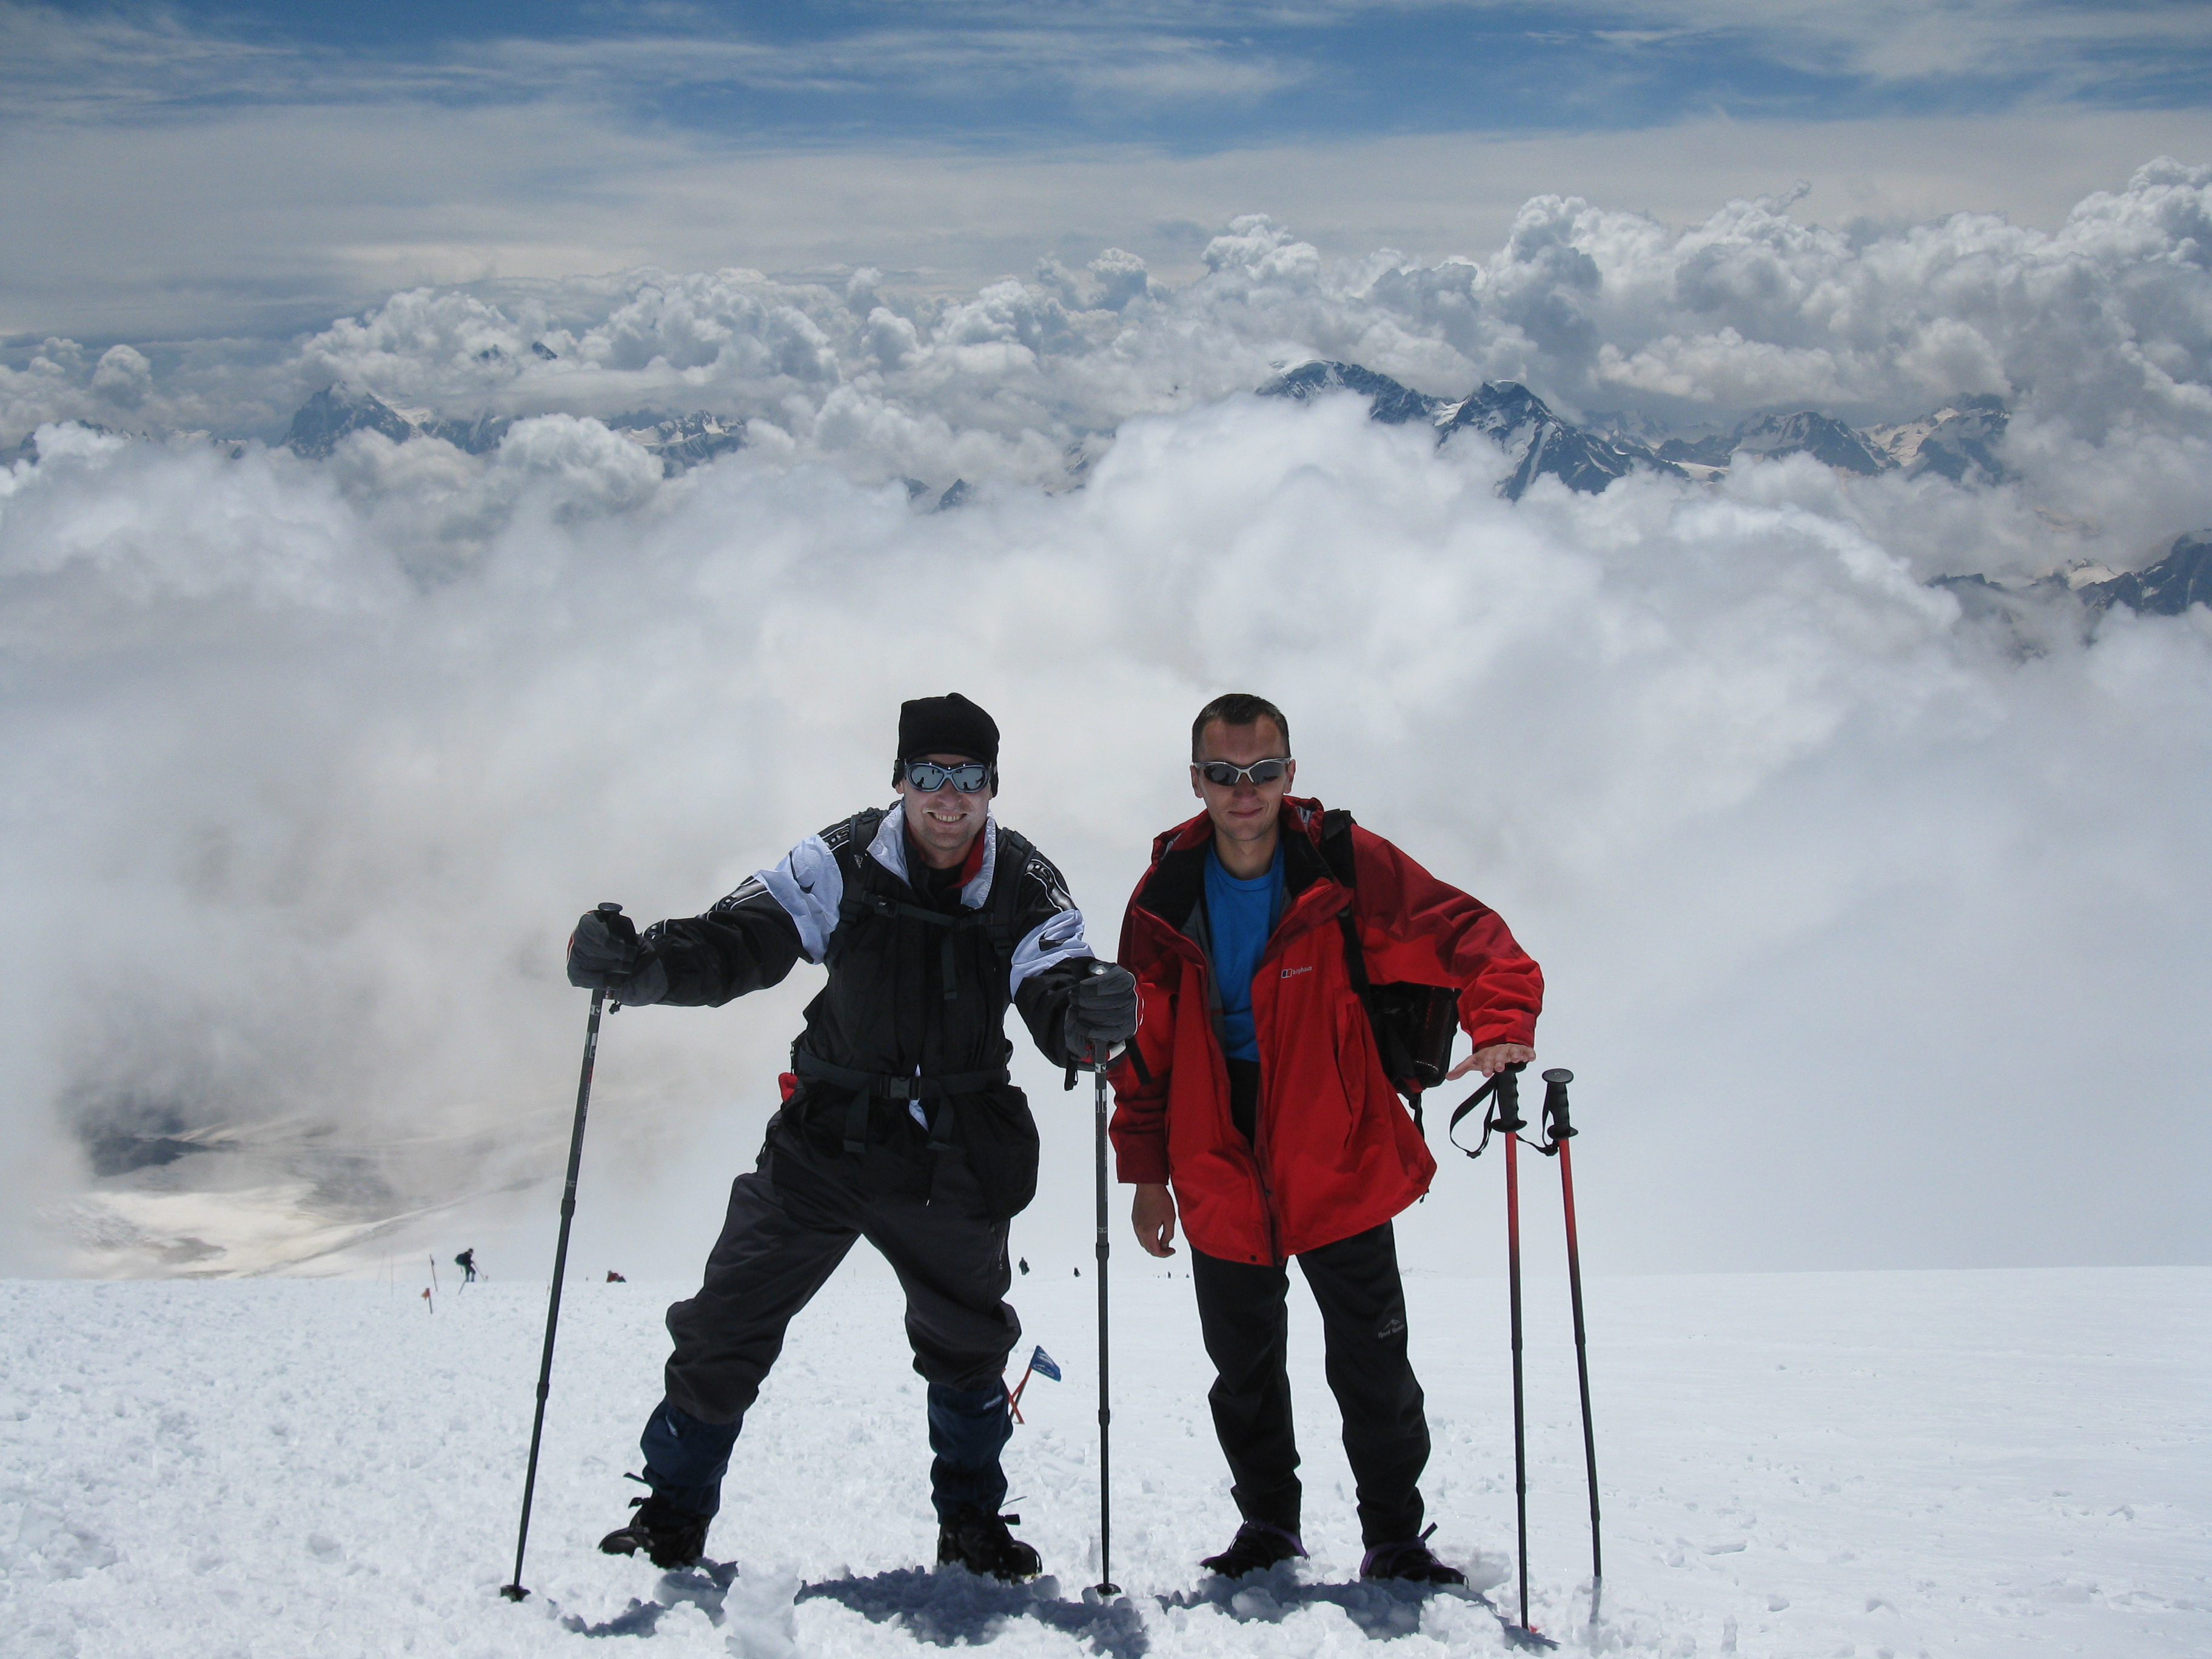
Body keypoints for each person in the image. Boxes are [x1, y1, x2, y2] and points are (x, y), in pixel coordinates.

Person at [564, 693, 1139, 1579]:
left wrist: (1088, 1018)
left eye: (969, 778)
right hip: (826, 1141)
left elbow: (1054, 982)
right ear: (900, 778)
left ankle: (971, 1526)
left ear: (993, 786)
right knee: (726, 1321)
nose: (949, 797)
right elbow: (741, 939)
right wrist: (640, 965)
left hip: (952, 1151)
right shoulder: (840, 860)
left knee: (968, 1345)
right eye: (930, 774)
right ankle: (672, 1514)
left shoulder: (1025, 883)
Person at [1108, 692, 1542, 1584]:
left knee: (1374, 1360)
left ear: (1290, 774)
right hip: (1216, 1152)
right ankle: (1269, 1529)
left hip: (1335, 1147)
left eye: (1263, 771)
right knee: (1243, 1369)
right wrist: (1146, 1173)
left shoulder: (1341, 864)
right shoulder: (1162, 896)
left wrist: (1500, 1025)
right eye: (1224, 773)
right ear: (1196, 780)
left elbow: (1466, 934)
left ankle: (1395, 1539)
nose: (1245, 791)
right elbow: (1144, 1051)